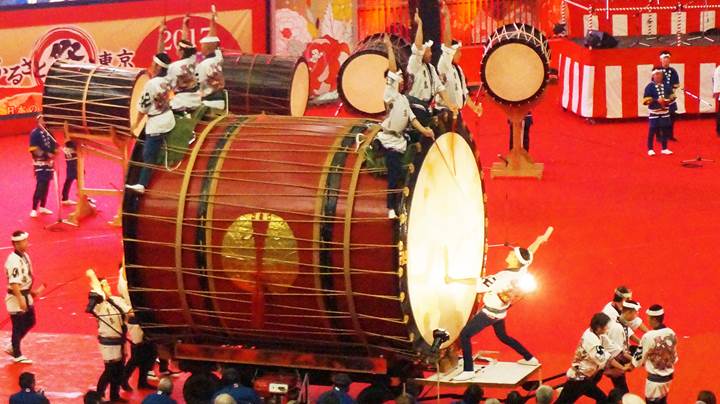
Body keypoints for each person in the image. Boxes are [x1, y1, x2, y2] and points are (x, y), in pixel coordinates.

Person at [453, 227, 553, 381]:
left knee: (465, 335)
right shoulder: (522, 268)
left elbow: (476, 283)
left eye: (512, 254)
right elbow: (531, 251)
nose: (509, 253)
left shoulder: (502, 277)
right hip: (501, 312)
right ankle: (529, 358)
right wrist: (539, 240)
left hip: (490, 314)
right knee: (503, 336)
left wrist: (453, 280)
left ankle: (468, 370)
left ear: (516, 260)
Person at [377, 33, 434, 219]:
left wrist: (425, 130)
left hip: (400, 139)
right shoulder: (390, 94)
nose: (402, 78)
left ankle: (405, 202)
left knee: (406, 169)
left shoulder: (403, 99)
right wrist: (389, 48)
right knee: (394, 173)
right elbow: (393, 70)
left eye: (401, 77)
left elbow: (413, 120)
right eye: (398, 77)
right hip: (389, 139)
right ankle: (390, 207)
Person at [125, 51, 175, 194]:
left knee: (148, 154)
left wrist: (135, 124)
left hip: (157, 122)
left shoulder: (151, 83)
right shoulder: (167, 79)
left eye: (153, 64)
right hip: (168, 116)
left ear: (158, 68)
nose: (151, 66)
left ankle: (142, 184)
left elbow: (143, 107)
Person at [555, 313, 630, 403]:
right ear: (598, 328)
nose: (607, 330)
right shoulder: (590, 339)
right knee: (602, 399)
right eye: (606, 328)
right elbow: (605, 358)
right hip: (579, 379)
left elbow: (613, 348)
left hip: (586, 377)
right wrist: (622, 368)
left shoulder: (598, 334)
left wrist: (631, 360)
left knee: (566, 401)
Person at [436, 1, 481, 147]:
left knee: (465, 145)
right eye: (459, 51)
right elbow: (447, 43)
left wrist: (474, 108)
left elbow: (464, 94)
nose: (461, 54)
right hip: (445, 115)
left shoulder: (458, 70)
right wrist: (447, 19)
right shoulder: (444, 64)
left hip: (457, 114)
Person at [406, 8, 457, 128]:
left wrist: (450, 105)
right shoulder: (414, 64)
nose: (431, 54)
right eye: (428, 52)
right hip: (416, 108)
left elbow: (440, 88)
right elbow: (418, 46)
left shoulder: (430, 69)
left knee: (445, 118)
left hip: (427, 107)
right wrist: (420, 24)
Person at [86, 275, 132, 403]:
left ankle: (114, 395)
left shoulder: (116, 300)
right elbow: (95, 293)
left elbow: (129, 312)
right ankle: (99, 396)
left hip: (120, 341)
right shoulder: (98, 305)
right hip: (108, 343)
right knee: (109, 371)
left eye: (107, 284)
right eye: (104, 285)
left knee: (119, 369)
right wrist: (93, 279)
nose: (108, 286)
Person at [4, 231, 41, 364]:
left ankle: (13, 345)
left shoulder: (24, 256)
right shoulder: (13, 261)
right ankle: (17, 353)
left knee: (31, 321)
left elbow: (26, 277)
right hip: (16, 296)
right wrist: (20, 299)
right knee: (17, 325)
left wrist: (31, 292)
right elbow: (14, 282)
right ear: (16, 243)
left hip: (25, 294)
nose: (27, 243)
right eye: (24, 241)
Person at [632, 304, 678, 404]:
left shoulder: (648, 336)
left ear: (653, 319)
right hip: (668, 378)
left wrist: (630, 365)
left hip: (654, 382)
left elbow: (638, 360)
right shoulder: (671, 333)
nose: (647, 320)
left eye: (648, 317)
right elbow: (674, 357)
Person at [604, 299, 641, 393]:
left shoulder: (621, 321)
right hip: (614, 363)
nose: (637, 316)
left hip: (621, 354)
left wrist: (644, 343)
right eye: (636, 313)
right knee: (623, 392)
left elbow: (630, 334)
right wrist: (632, 363)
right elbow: (617, 354)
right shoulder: (617, 328)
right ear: (629, 312)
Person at [167, 15, 202, 112]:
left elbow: (167, 86)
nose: (176, 51)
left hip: (180, 102)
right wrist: (185, 25)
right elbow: (186, 44)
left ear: (181, 51)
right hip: (197, 100)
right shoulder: (197, 60)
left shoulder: (173, 66)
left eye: (177, 49)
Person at [197, 8, 225, 111]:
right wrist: (213, 21)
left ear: (207, 48)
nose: (201, 48)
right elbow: (213, 40)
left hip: (208, 103)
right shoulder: (218, 58)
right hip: (221, 101)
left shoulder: (203, 64)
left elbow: (197, 86)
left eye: (202, 46)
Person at [29, 115, 56, 218]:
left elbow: (54, 145)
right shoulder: (34, 134)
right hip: (40, 162)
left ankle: (43, 206)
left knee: (47, 185)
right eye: (41, 120)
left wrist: (53, 153)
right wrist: (46, 155)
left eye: (44, 120)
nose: (43, 122)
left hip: (49, 163)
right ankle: (34, 208)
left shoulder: (49, 133)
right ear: (37, 121)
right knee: (40, 185)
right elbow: (33, 148)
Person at [643, 67, 674, 156]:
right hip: (654, 112)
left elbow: (672, 96)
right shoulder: (649, 87)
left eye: (660, 74)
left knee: (665, 130)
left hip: (664, 112)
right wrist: (656, 100)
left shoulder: (667, 86)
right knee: (652, 130)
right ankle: (650, 148)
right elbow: (645, 100)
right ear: (653, 76)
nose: (658, 76)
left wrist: (667, 100)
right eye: (656, 74)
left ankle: (664, 148)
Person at [658, 51, 680, 141]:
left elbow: (676, 84)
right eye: (664, 59)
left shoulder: (673, 71)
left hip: (671, 98)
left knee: (671, 117)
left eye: (668, 59)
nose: (666, 61)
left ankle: (670, 135)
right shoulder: (657, 71)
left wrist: (672, 94)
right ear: (661, 60)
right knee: (660, 118)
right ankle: (659, 136)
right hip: (661, 97)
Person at [60, 140, 77, 205]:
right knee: (75, 175)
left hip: (71, 148)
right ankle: (82, 197)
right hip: (71, 148)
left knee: (70, 178)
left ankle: (65, 197)